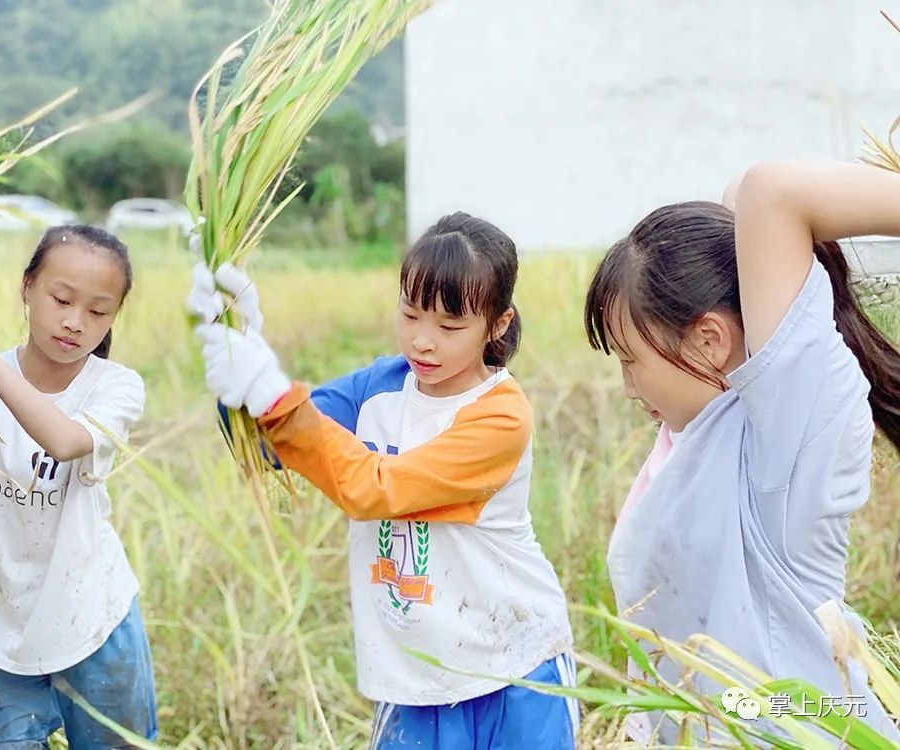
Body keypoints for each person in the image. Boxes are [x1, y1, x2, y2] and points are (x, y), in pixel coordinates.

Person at [188, 212, 580, 749]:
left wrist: (272, 393)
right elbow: (267, 443)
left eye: (449, 326)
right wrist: (237, 348)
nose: (423, 342)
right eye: (411, 314)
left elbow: (376, 489)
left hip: (513, 666)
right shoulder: (378, 387)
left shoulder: (500, 416)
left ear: (498, 324)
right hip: (411, 676)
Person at [584, 162, 900, 741]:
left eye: (631, 360)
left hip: (792, 728)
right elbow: (740, 215)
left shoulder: (781, 439)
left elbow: (767, 195)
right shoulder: (698, 431)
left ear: (707, 340)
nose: (627, 387)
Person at [0, 225, 157, 748]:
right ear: (27, 288)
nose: (75, 322)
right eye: (62, 299)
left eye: (98, 311)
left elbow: (66, 441)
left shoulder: (115, 388)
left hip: (94, 626)